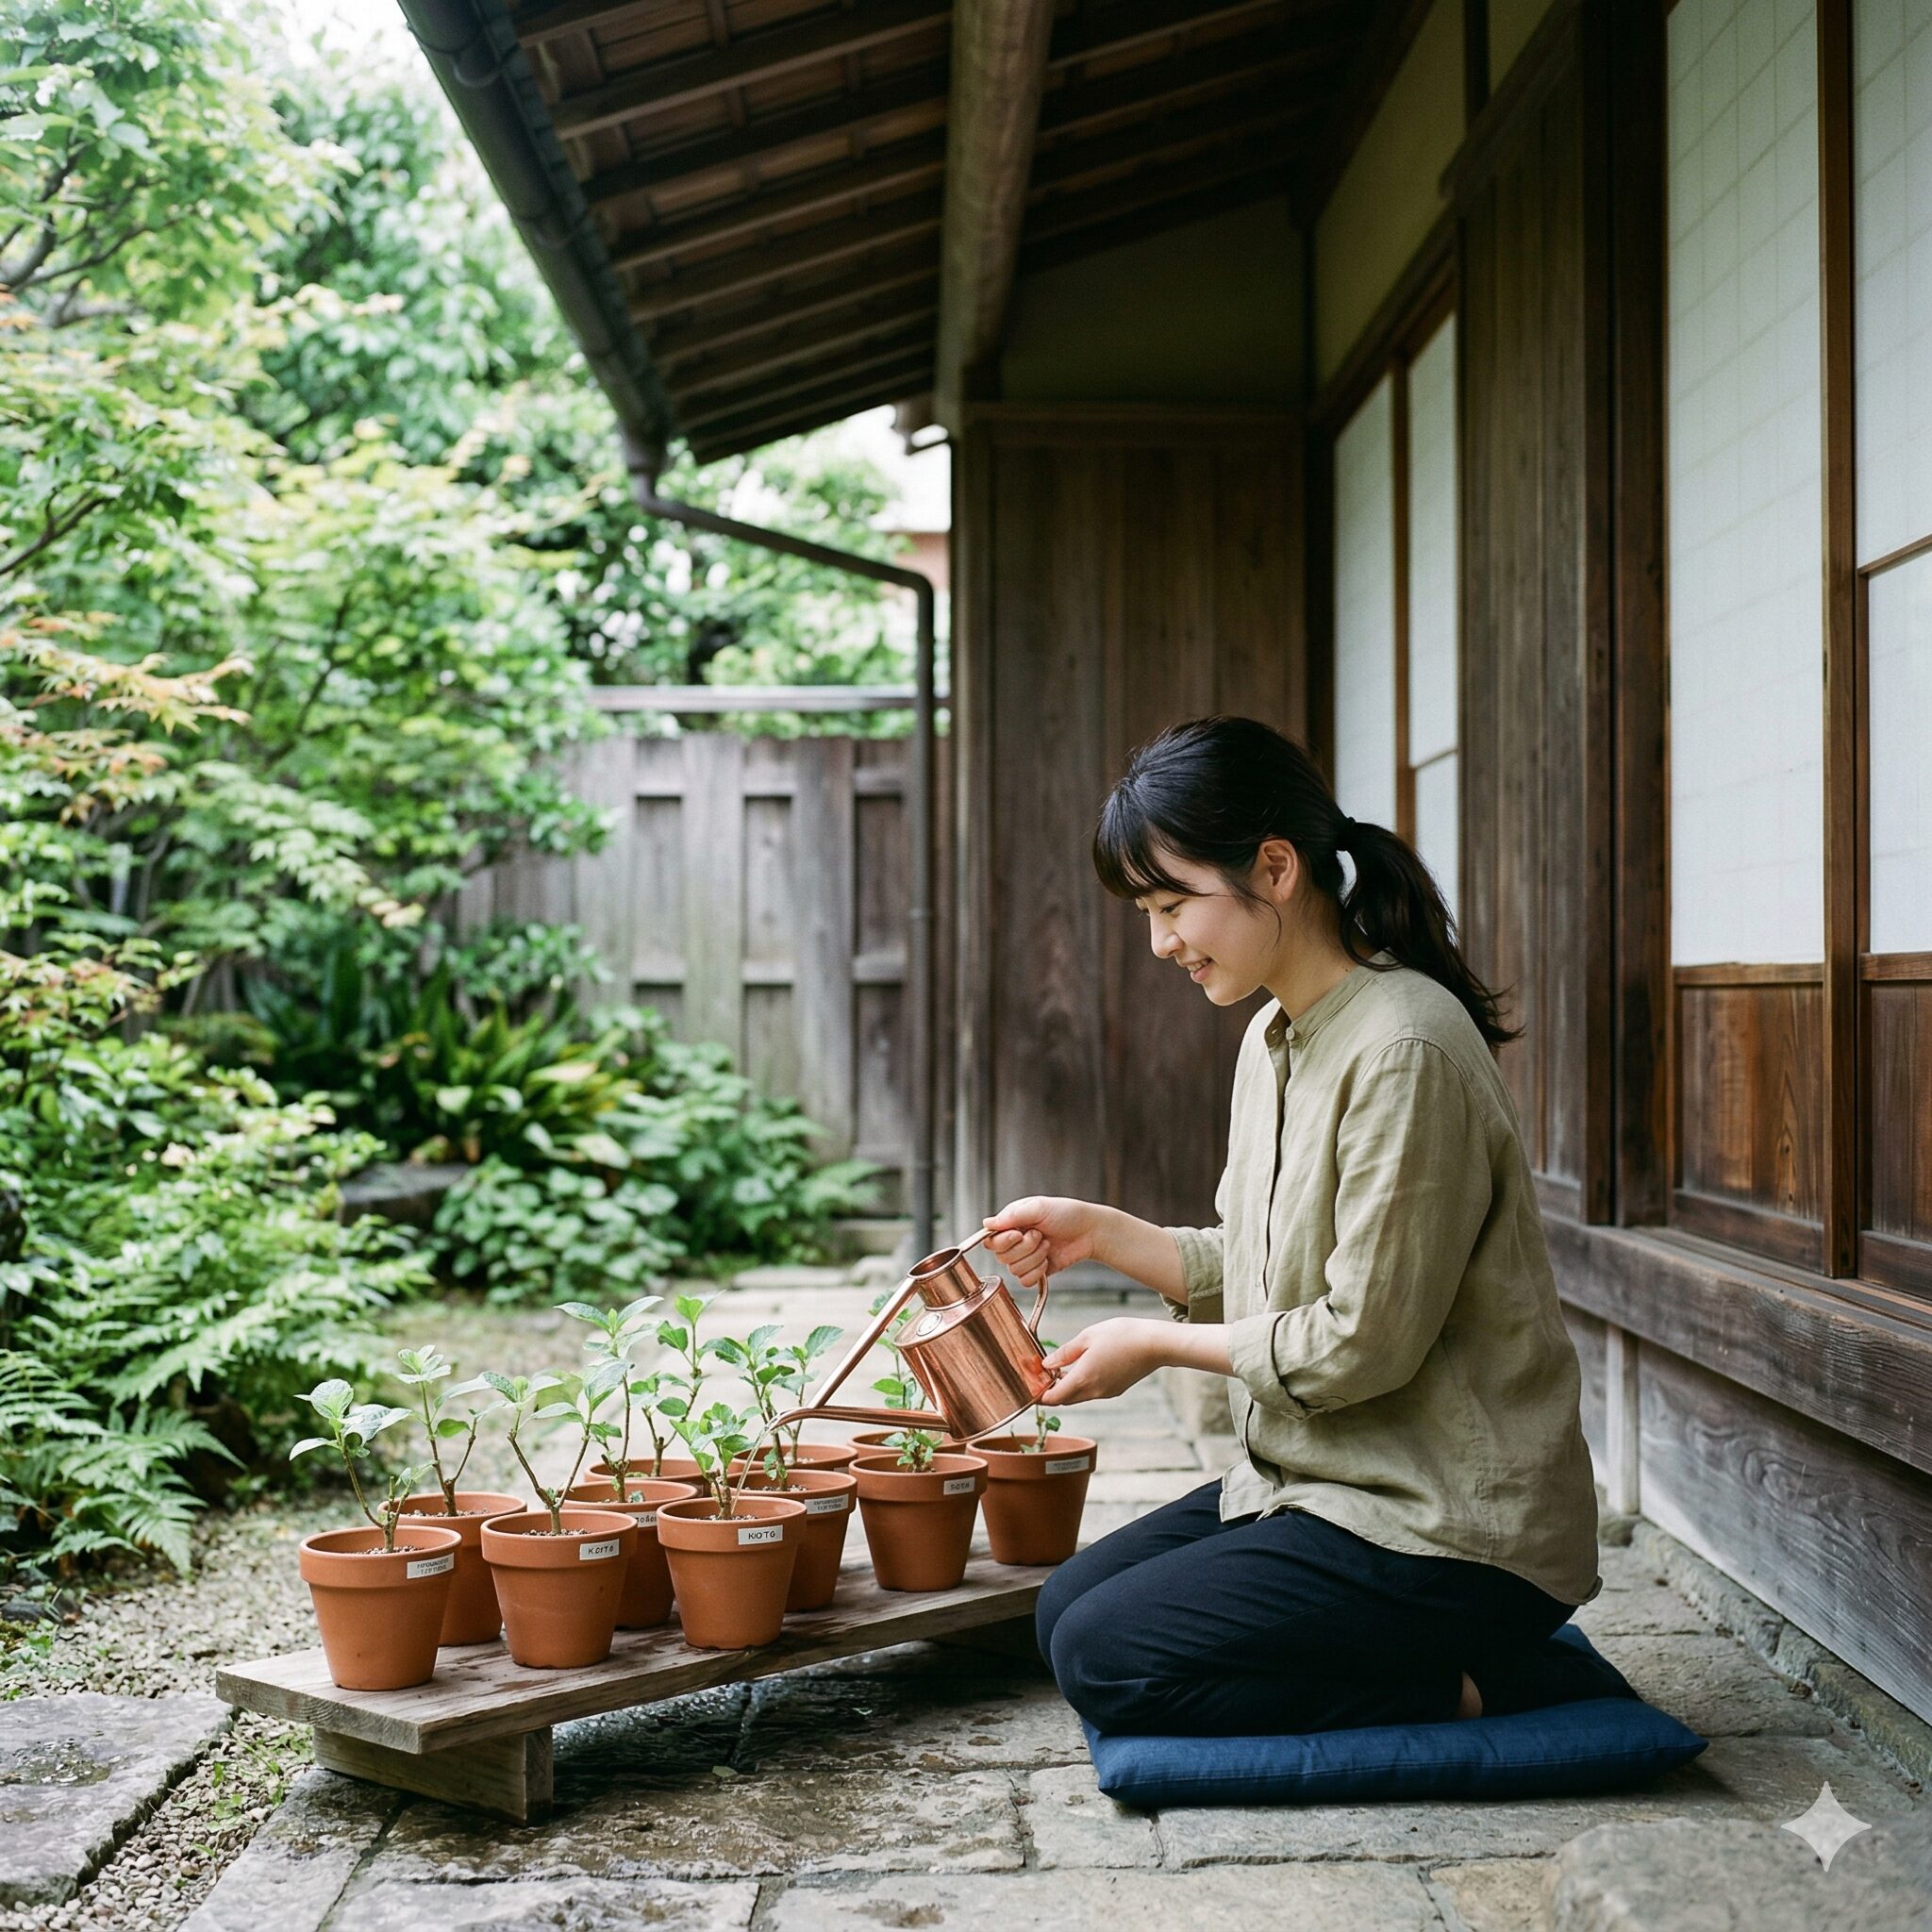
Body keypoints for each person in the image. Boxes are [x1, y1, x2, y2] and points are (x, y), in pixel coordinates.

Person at [984, 715, 1620, 1740]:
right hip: (1324, 1485)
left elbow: (1356, 1341)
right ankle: (1438, 1662)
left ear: (1272, 867)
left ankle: (1494, 1687)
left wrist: (1152, 1344)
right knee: (1063, 1612)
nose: (1159, 941)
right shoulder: (1272, 1032)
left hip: (1445, 1527)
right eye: (1146, 909)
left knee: (1109, 1658)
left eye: (1171, 901)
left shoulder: (1402, 1046)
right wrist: (1097, 1230)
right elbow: (1250, 1262)